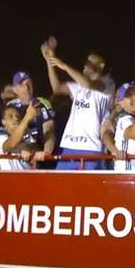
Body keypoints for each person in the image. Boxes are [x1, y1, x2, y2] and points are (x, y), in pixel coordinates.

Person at [41, 37, 114, 170]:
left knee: (87, 189)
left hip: (92, 148)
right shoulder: (78, 86)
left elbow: (88, 84)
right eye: (86, 62)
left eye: (91, 62)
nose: (86, 65)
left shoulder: (107, 84)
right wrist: (49, 61)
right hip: (69, 146)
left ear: (101, 65)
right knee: (61, 187)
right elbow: (57, 88)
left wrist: (64, 66)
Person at [7, 71, 56, 157]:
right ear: (15, 90)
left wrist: (46, 152)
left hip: (38, 153)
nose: (26, 87)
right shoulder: (11, 105)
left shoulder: (42, 103)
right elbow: (6, 135)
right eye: (21, 85)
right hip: (19, 153)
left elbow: (49, 130)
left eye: (28, 83)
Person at [0, 104, 40, 171]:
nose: (16, 118)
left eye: (18, 116)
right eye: (10, 116)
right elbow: (11, 144)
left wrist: (29, 149)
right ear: (3, 122)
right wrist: (27, 118)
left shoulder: (28, 136)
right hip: (10, 179)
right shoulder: (0, 138)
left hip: (30, 178)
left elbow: (36, 147)